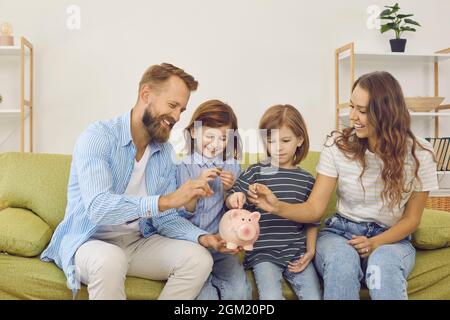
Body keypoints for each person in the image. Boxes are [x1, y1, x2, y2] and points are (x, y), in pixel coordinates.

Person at [41, 63, 226, 300]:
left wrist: (202, 237)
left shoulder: (165, 152)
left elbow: (166, 219)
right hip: (89, 241)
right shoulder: (98, 137)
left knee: (198, 259)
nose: (177, 117)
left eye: (182, 109)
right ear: (146, 94)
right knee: (110, 260)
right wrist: (165, 200)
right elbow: (99, 208)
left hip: (137, 242)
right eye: (172, 105)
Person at [246, 72, 438, 300]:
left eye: (363, 111)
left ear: (386, 113)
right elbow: (314, 209)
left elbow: (412, 219)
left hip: (391, 239)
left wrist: (375, 242)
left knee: (383, 264)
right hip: (340, 233)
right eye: (352, 106)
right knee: (341, 261)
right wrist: (277, 206)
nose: (353, 116)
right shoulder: (338, 147)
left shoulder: (420, 154)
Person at [226, 104, 322, 300]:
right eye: (271, 141)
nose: (278, 147)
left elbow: (313, 219)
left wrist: (311, 251)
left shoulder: (307, 180)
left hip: (297, 253)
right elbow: (233, 198)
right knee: (270, 298)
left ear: (300, 140)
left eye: (285, 140)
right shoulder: (256, 172)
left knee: (314, 297)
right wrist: (236, 198)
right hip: (264, 254)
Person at [176, 99, 252, 300]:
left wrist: (231, 193)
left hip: (221, 247)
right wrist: (194, 189)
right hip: (190, 246)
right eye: (209, 136)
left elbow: (237, 215)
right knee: (205, 296)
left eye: (223, 138)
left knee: (240, 291)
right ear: (194, 132)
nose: (215, 144)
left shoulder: (233, 167)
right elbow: (179, 214)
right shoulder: (183, 167)